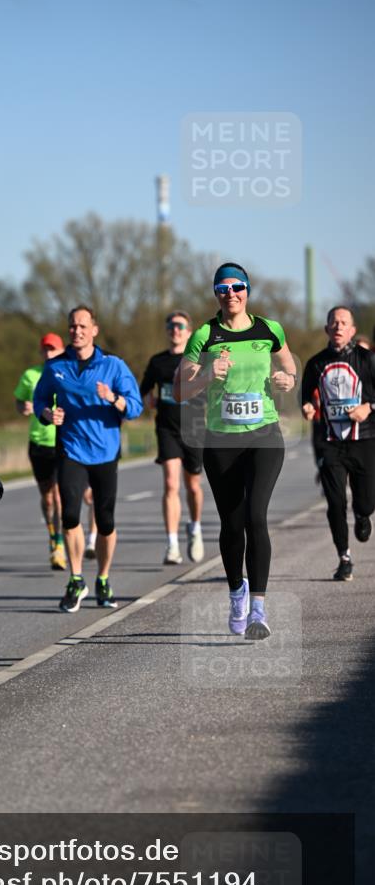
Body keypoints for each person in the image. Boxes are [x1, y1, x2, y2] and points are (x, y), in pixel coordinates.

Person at [174, 263, 297, 639]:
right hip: (221, 440)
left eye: (238, 286)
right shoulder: (204, 335)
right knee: (232, 522)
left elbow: (289, 367)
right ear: (215, 294)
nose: (231, 293)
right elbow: (180, 391)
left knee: (256, 515)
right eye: (223, 288)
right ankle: (236, 592)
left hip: (264, 436)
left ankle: (258, 609)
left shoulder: (269, 329)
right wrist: (208, 376)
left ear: (248, 290)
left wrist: (287, 380)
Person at [33, 305, 143, 612]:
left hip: (106, 452)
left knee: (105, 521)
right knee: (70, 515)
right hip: (70, 449)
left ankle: (104, 579)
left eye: (82, 326)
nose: (76, 331)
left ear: (94, 330)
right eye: (72, 326)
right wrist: (46, 413)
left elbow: (135, 407)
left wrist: (113, 398)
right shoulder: (56, 366)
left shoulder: (114, 366)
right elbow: (40, 399)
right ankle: (76, 578)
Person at [301, 306, 375, 581]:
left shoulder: (367, 359)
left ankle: (364, 515)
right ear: (327, 329)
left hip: (364, 439)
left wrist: (368, 406)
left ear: (352, 330)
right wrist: (308, 406)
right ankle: (344, 558)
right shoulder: (316, 363)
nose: (338, 327)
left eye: (344, 323)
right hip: (330, 441)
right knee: (335, 502)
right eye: (333, 323)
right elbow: (306, 395)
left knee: (365, 502)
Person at [140, 310, 205, 565]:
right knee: (170, 484)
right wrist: (148, 400)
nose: (175, 330)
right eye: (171, 326)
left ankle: (195, 528)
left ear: (189, 332)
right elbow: (143, 390)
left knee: (193, 486)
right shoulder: (157, 362)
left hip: (194, 428)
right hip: (167, 428)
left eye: (180, 326)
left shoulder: (198, 359)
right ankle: (172, 544)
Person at [14, 333, 67, 570]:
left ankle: (59, 545)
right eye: (45, 349)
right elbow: (19, 401)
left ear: (61, 350)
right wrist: (23, 407)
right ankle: (52, 534)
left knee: (58, 496)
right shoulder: (30, 375)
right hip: (38, 443)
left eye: (52, 349)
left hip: (62, 441)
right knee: (47, 498)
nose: (48, 353)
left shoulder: (66, 372)